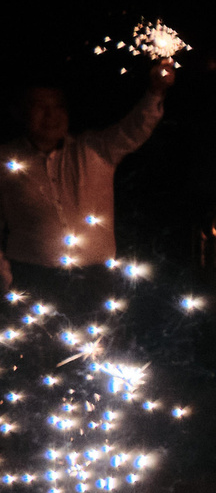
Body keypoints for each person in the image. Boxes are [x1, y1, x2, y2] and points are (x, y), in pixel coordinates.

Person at [0, 64, 174, 316]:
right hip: (33, 282)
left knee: (101, 351)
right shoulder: (6, 161)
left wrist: (156, 92)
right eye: (39, 106)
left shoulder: (95, 150)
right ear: (19, 112)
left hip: (96, 282)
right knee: (40, 353)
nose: (51, 115)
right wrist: (6, 282)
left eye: (57, 106)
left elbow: (135, 128)